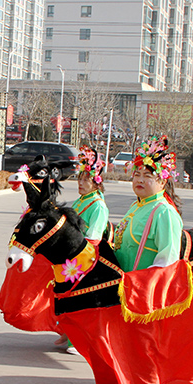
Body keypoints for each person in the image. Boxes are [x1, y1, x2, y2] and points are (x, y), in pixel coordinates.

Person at [90, 136, 183, 384]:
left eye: (148, 176)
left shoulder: (163, 212)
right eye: (137, 175)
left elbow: (167, 260)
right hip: (121, 294)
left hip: (144, 301)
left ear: (163, 180)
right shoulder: (137, 206)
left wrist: (144, 290)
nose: (140, 180)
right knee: (114, 352)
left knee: (143, 360)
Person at [62, 146, 110, 355]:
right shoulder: (82, 200)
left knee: (82, 303)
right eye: (79, 179)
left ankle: (79, 342)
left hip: (86, 260)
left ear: (96, 181)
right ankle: (68, 334)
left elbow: (94, 238)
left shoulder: (97, 205)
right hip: (72, 256)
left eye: (86, 179)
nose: (80, 183)